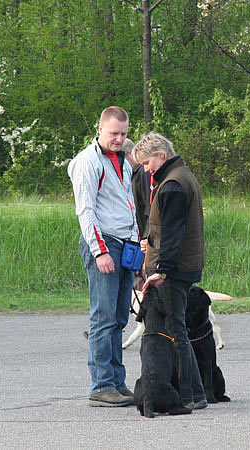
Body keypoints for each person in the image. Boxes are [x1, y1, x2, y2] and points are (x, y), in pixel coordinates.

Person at [68, 106, 139, 407]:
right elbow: (86, 211)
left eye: (123, 134)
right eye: (113, 133)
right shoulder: (87, 162)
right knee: (104, 316)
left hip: (125, 243)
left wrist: (136, 246)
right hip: (104, 244)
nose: (119, 139)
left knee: (121, 316)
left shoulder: (123, 161)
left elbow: (128, 205)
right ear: (100, 128)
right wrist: (100, 252)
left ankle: (117, 382)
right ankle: (101, 384)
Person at [132, 132, 207, 411]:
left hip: (174, 269)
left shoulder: (173, 184)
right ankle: (197, 392)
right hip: (182, 265)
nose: (147, 169)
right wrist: (149, 242)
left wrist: (161, 269)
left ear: (161, 156)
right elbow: (168, 228)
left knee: (177, 331)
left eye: (148, 163)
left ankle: (187, 395)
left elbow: (175, 232)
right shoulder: (180, 176)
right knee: (179, 329)